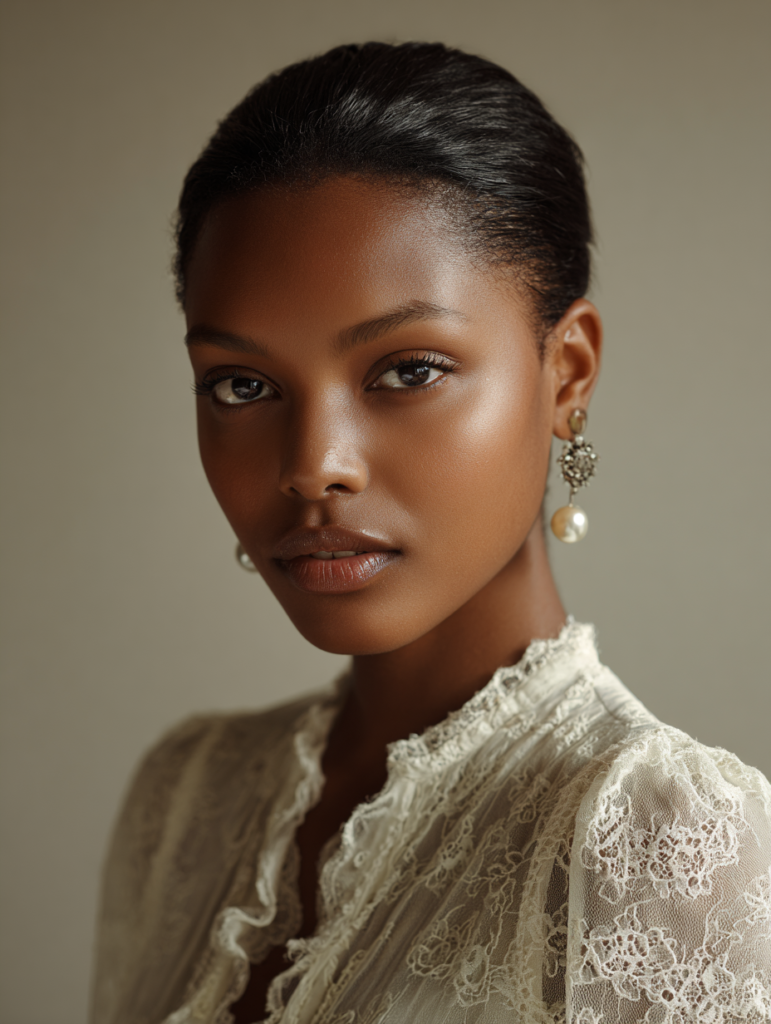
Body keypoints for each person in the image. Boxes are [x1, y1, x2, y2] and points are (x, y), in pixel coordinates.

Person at [90, 42, 771, 1024]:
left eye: (407, 369)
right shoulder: (183, 797)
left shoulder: (663, 842)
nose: (313, 463)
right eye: (243, 385)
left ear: (567, 374)